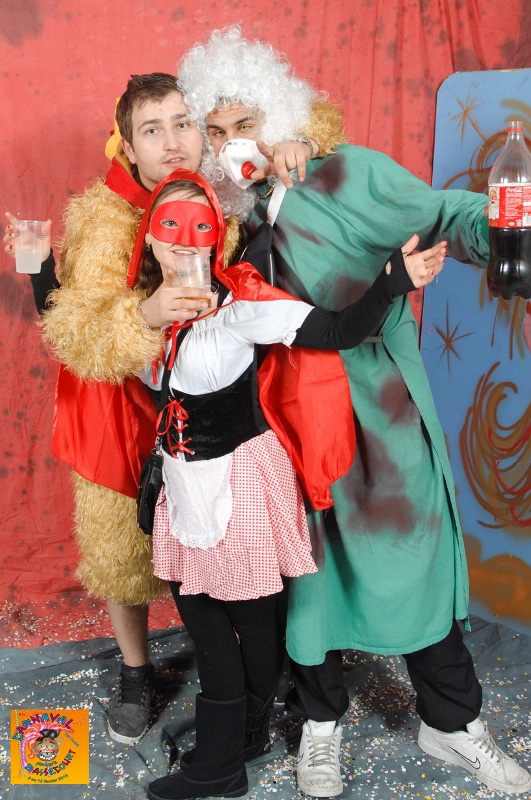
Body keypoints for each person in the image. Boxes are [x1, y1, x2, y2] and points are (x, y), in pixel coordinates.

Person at [175, 26, 531, 797]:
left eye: (247, 123)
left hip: (379, 412)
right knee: (307, 575)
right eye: (217, 131)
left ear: (279, 114)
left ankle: (452, 722)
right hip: (276, 429)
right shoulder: (218, 219)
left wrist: (504, 230)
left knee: (413, 557)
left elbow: (448, 213)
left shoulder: (346, 176)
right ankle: (320, 722)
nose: (236, 145)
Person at [2, 72, 354, 747]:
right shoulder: (104, 217)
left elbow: (303, 118)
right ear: (127, 146)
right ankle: (137, 673)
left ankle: (250, 674)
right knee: (123, 547)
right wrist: (143, 314)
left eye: (181, 124)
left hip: (211, 393)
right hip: (116, 396)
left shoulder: (218, 179)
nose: (171, 142)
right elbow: (73, 330)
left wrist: (300, 141)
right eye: (151, 131)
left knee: (228, 532)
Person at [127, 168, 445, 800]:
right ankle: (243, 737)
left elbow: (336, 331)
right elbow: (83, 343)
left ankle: (221, 763)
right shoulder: (134, 316)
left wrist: (392, 282)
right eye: (171, 225)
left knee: (246, 622)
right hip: (184, 485)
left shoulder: (240, 309)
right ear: (151, 239)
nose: (185, 240)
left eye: (200, 225)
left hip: (239, 482)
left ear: (218, 237)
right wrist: (38, 267)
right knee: (206, 616)